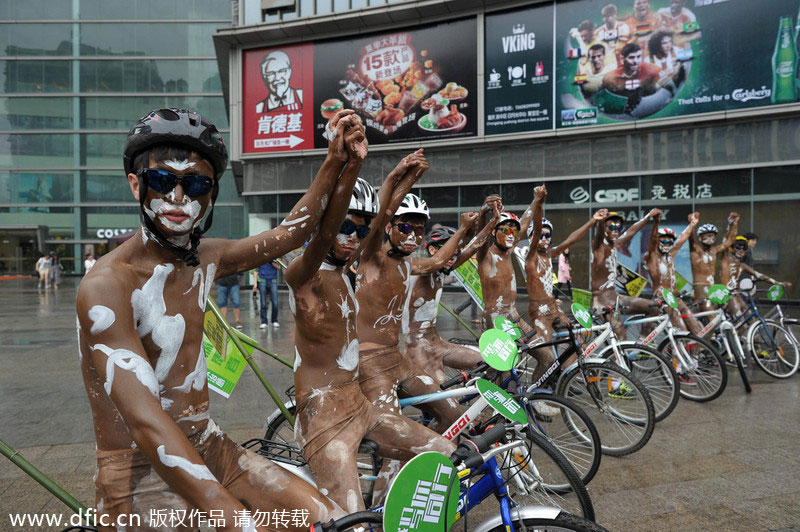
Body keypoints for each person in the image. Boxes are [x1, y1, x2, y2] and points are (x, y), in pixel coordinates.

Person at [76, 107, 357, 531]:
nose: (177, 197)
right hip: (138, 473)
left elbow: (293, 234)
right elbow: (145, 420)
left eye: (195, 184)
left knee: (335, 522)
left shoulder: (205, 259)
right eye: (161, 180)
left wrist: (340, 161)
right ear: (136, 185)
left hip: (210, 445)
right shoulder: (105, 286)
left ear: (210, 196)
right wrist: (235, 519)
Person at [287, 123, 454, 513]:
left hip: (359, 403)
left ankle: (392, 514)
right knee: (354, 521)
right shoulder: (303, 274)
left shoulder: (351, 270)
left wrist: (396, 180)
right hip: (323, 414)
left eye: (357, 231)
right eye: (343, 227)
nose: (350, 237)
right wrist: (344, 164)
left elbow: (375, 225)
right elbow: (332, 229)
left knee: (445, 453)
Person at [356, 190, 476, 434]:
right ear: (389, 228)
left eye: (419, 231)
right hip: (369, 362)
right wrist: (403, 174)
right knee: (395, 437)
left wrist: (468, 229)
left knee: (454, 415)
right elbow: (378, 218)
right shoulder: (371, 256)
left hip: (396, 360)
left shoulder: (408, 265)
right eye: (405, 228)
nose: (412, 236)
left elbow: (442, 261)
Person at [405, 207, 500, 385]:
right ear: (432, 250)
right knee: (448, 402)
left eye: (455, 252)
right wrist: (464, 230)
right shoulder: (422, 270)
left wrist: (492, 221)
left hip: (438, 344)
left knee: (493, 364)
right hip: (416, 347)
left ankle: (482, 414)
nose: (453, 256)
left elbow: (474, 246)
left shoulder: (442, 269)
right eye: (447, 251)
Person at [525, 185, 608, 382]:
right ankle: (539, 388)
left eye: (548, 235)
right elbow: (536, 229)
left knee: (578, 343)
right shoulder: (531, 256)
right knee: (546, 356)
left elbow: (571, 239)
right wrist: (540, 202)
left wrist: (592, 221)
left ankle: (564, 376)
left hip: (554, 308)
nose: (544, 238)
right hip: (538, 312)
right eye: (540, 235)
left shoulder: (551, 254)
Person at [591, 209, 662, 339]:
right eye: (611, 226)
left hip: (616, 297)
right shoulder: (599, 246)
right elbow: (599, 234)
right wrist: (600, 221)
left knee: (654, 308)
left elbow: (631, 231)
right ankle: (614, 358)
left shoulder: (615, 244)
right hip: (601, 302)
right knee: (621, 340)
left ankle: (643, 345)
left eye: (618, 227)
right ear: (604, 228)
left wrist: (649, 216)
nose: (615, 229)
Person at [644, 212, 702, 338]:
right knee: (682, 333)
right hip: (663, 299)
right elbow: (653, 240)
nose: (667, 244)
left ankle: (696, 356)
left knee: (698, 331)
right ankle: (676, 356)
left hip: (676, 298)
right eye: (663, 240)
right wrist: (656, 223)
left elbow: (683, 237)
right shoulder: (652, 257)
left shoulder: (670, 254)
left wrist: (692, 224)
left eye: (670, 242)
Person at [719, 236, 790, 318]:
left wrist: (778, 283)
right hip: (726, 297)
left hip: (737, 295)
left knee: (751, 319)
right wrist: (731, 224)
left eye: (744, 248)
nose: (741, 250)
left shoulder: (742, 266)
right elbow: (724, 244)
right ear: (731, 249)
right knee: (741, 322)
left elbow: (759, 275)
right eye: (738, 247)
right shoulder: (725, 260)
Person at [688, 213, 738, 312]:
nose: (710, 238)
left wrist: (734, 223)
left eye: (712, 235)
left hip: (712, 288)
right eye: (707, 236)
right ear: (700, 238)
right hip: (700, 288)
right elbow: (690, 237)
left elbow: (731, 240)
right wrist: (691, 223)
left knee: (729, 311)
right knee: (712, 317)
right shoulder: (696, 250)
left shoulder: (714, 251)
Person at [254, 260, 281, 329]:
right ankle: (264, 322)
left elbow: (279, 268)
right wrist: (255, 283)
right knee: (263, 303)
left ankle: (274, 320)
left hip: (273, 280)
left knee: (275, 303)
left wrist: (274, 263)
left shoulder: (275, 256)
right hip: (262, 280)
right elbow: (256, 270)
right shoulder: (261, 257)